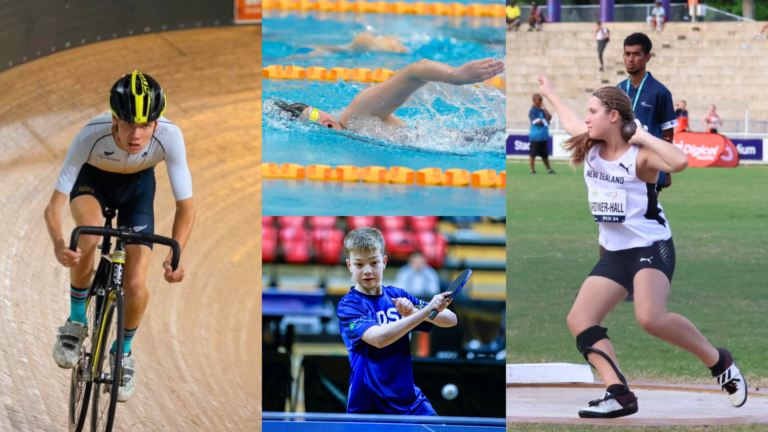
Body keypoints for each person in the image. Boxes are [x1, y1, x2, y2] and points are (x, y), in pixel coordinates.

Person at [538, 76, 748, 419]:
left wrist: (641, 134)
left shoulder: (640, 157)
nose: (587, 118)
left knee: (651, 317)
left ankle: (719, 362)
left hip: (652, 245)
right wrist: (549, 93)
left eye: (594, 112)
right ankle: (618, 392)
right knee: (580, 319)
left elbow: (679, 162)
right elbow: (571, 120)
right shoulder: (590, 147)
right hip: (616, 252)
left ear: (615, 117)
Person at [46, 71, 194, 402]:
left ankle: (122, 352)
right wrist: (59, 243)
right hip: (93, 183)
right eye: (128, 123)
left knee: (137, 283)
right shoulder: (90, 136)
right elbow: (53, 207)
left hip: (138, 190)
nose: (136, 134)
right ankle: (76, 320)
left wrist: (177, 253)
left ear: (157, 122)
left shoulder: (170, 136)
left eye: (145, 125)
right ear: (114, 117)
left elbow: (187, 208)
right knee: (89, 235)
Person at [336, 227, 457, 414]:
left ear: (384, 262)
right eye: (359, 265)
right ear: (349, 265)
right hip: (369, 406)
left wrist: (414, 311)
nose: (367, 271)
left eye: (373, 263)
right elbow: (379, 338)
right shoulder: (349, 306)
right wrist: (424, 311)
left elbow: (450, 319)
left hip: (410, 402)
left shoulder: (397, 295)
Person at [274, 58, 504, 133]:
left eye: (315, 112)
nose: (322, 120)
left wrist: (455, 75)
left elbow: (416, 70)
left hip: (472, 139)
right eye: (312, 121)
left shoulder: (355, 116)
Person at [616, 33, 677, 194]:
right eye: (627, 54)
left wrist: (666, 170)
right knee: (618, 215)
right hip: (621, 164)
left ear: (647, 57)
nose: (630, 59)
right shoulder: (618, 89)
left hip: (649, 164)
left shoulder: (660, 92)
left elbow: (668, 132)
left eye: (636, 54)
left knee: (646, 214)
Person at [295, 32, 408, 56]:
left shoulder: (397, 49)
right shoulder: (387, 43)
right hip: (356, 49)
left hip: (354, 48)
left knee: (338, 49)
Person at [529, 93, 555, 174]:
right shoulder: (532, 111)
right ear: (534, 100)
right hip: (536, 136)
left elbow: (549, 117)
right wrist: (546, 121)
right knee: (533, 154)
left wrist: (544, 109)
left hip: (543, 136)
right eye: (539, 100)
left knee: (545, 155)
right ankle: (532, 170)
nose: (541, 101)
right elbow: (538, 122)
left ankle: (549, 169)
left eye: (541, 99)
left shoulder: (541, 110)